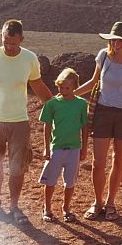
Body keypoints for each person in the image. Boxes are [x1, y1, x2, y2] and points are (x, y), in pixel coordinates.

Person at [0, 19, 52, 225]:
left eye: (13, 43)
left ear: (21, 40)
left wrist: (55, 107)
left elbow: (38, 85)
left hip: (19, 122)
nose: (9, 47)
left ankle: (14, 206)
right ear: (1, 36)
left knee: (17, 168)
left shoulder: (29, 59)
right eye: (5, 41)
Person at [74, 21, 122, 221]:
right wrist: (69, 96)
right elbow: (93, 82)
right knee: (98, 161)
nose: (116, 44)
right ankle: (97, 202)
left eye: (120, 40)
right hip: (103, 111)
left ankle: (111, 203)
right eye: (113, 40)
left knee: (119, 159)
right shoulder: (103, 56)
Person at [37, 68, 88, 223]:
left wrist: (84, 148)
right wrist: (46, 147)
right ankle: (47, 208)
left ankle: (66, 208)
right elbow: (46, 126)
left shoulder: (81, 104)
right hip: (57, 148)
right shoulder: (52, 103)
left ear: (74, 87)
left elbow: (85, 127)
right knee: (50, 181)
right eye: (61, 87)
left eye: (67, 88)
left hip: (74, 148)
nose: (63, 91)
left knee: (70, 182)